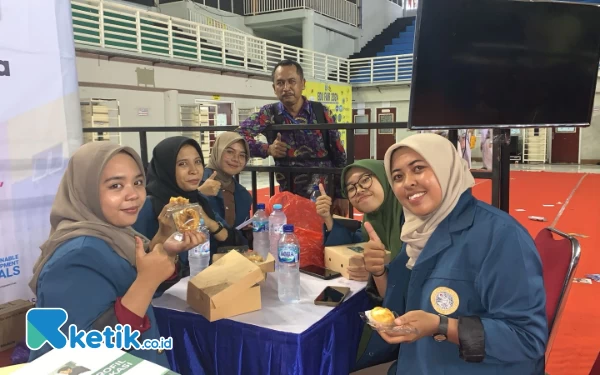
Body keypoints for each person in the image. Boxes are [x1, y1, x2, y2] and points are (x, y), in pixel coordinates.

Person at [362, 133, 547, 374]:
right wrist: (378, 272)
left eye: (418, 168)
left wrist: (442, 326)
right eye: (397, 176)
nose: (407, 182)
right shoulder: (416, 234)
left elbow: (527, 340)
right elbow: (400, 305)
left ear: (446, 168)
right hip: (417, 361)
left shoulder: (500, 236)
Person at [28, 142, 204, 369]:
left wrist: (164, 251)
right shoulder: (76, 256)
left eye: (138, 182)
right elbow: (84, 356)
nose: (133, 194)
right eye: (115, 185)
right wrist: (147, 281)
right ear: (85, 190)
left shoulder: (118, 236)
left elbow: (131, 291)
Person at [314, 159, 406, 371]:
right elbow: (353, 245)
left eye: (365, 180)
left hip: (407, 326)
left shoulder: (409, 218)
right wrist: (328, 219)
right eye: (351, 188)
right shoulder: (370, 222)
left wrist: (378, 272)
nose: (359, 190)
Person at [238, 59, 349, 216]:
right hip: (289, 200)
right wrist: (267, 149)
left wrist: (341, 195)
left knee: (328, 239)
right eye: (280, 83)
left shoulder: (321, 112)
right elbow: (238, 136)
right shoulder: (269, 113)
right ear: (274, 88)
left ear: (302, 84)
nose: (286, 88)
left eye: (292, 82)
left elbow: (339, 155)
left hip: (324, 199)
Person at [133, 136, 247, 266]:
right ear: (166, 167)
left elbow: (239, 242)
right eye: (182, 164)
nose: (194, 171)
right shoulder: (147, 206)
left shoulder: (198, 200)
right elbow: (137, 265)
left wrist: (209, 223)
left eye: (198, 162)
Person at [200, 132, 252, 228]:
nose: (236, 159)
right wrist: (199, 194)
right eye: (229, 151)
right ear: (217, 152)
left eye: (242, 155)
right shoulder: (195, 181)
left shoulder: (244, 195)